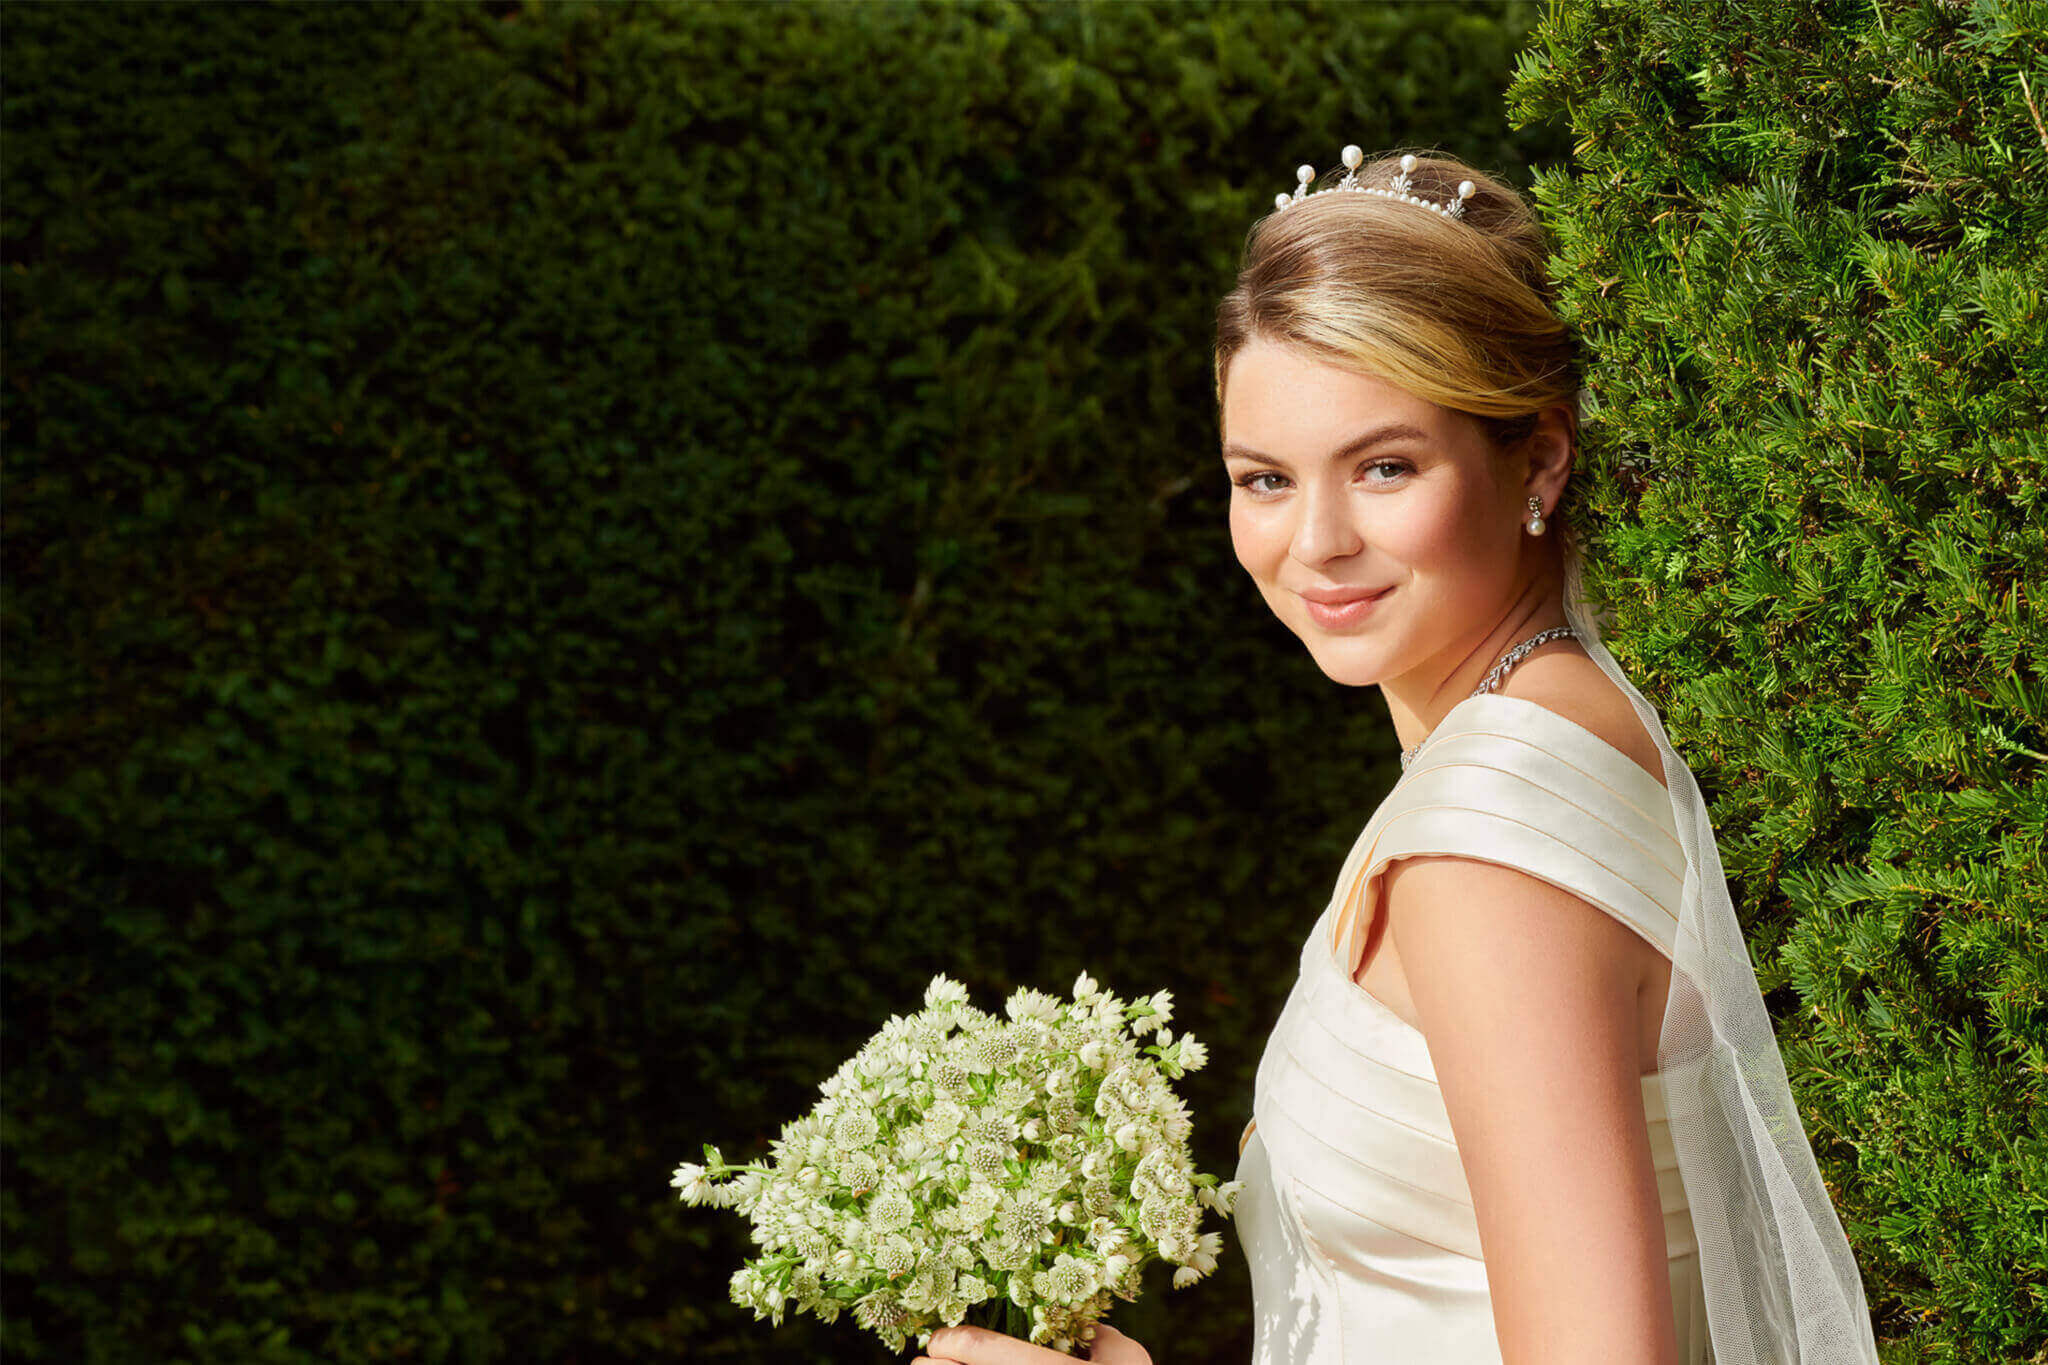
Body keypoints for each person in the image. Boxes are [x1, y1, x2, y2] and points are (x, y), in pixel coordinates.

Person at [918, 148, 1881, 1364]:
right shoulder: (1555, 724)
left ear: (1535, 460)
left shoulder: (1486, 847)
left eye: (1383, 467)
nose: (1314, 542)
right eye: (1263, 479)